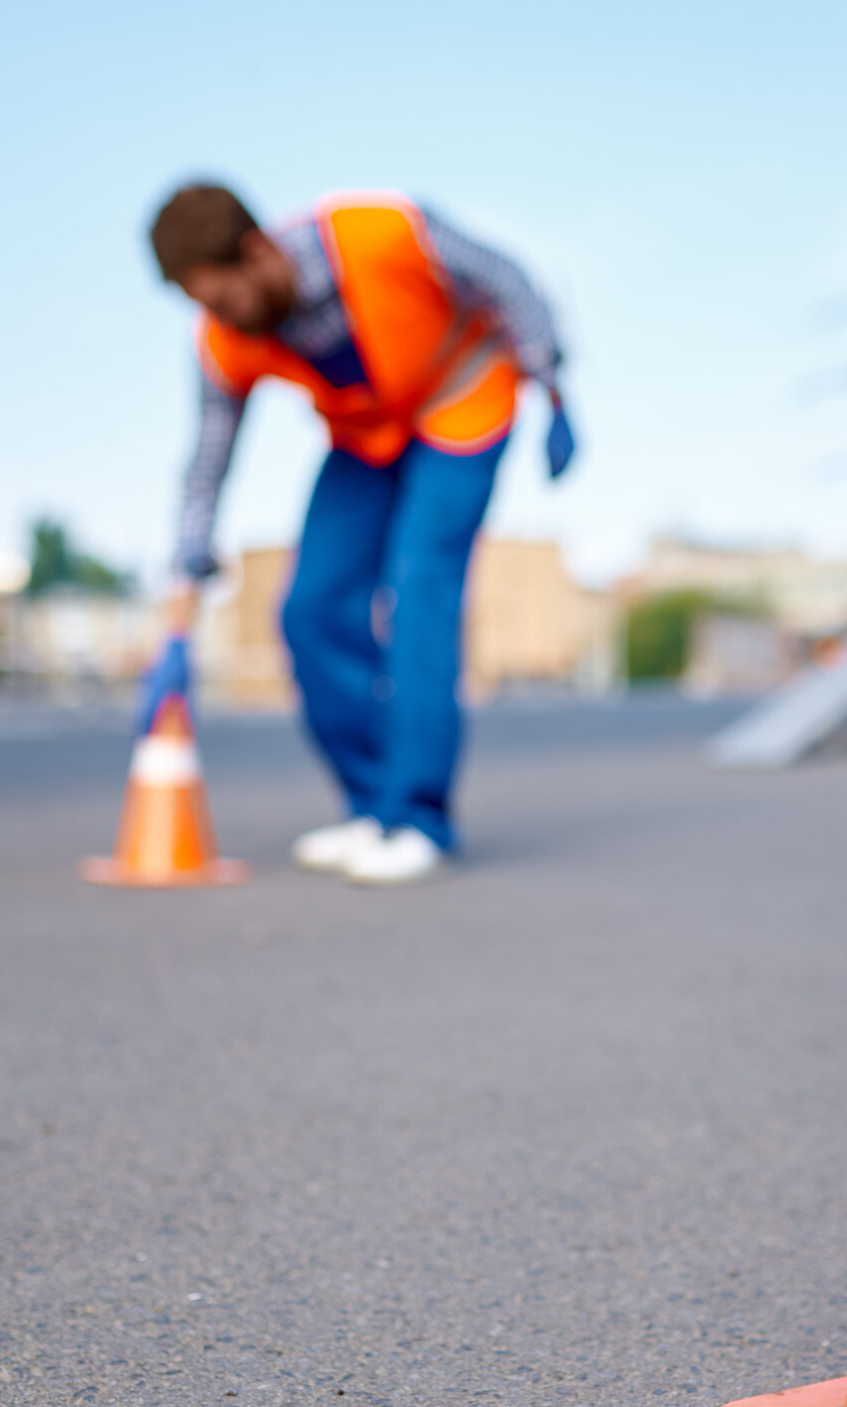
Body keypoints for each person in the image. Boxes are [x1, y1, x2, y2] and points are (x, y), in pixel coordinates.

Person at [146, 182, 574, 886]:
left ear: (257, 251)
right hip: (368, 436)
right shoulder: (224, 340)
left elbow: (503, 277)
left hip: (461, 401)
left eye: (222, 299)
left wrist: (551, 377)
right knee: (309, 609)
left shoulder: (381, 233)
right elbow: (206, 461)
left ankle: (419, 816)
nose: (217, 318)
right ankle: (373, 802)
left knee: (418, 591)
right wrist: (187, 566)